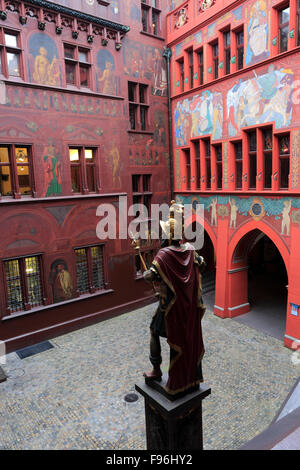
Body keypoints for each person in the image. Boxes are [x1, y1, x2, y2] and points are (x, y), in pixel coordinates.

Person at [142, 203, 206, 397]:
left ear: (169, 236)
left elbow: (150, 275)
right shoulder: (190, 250)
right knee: (187, 342)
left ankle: (156, 371)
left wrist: (146, 272)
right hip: (188, 309)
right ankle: (191, 378)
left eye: (163, 233)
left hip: (169, 308)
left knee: (154, 331)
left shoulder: (164, 254)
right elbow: (201, 264)